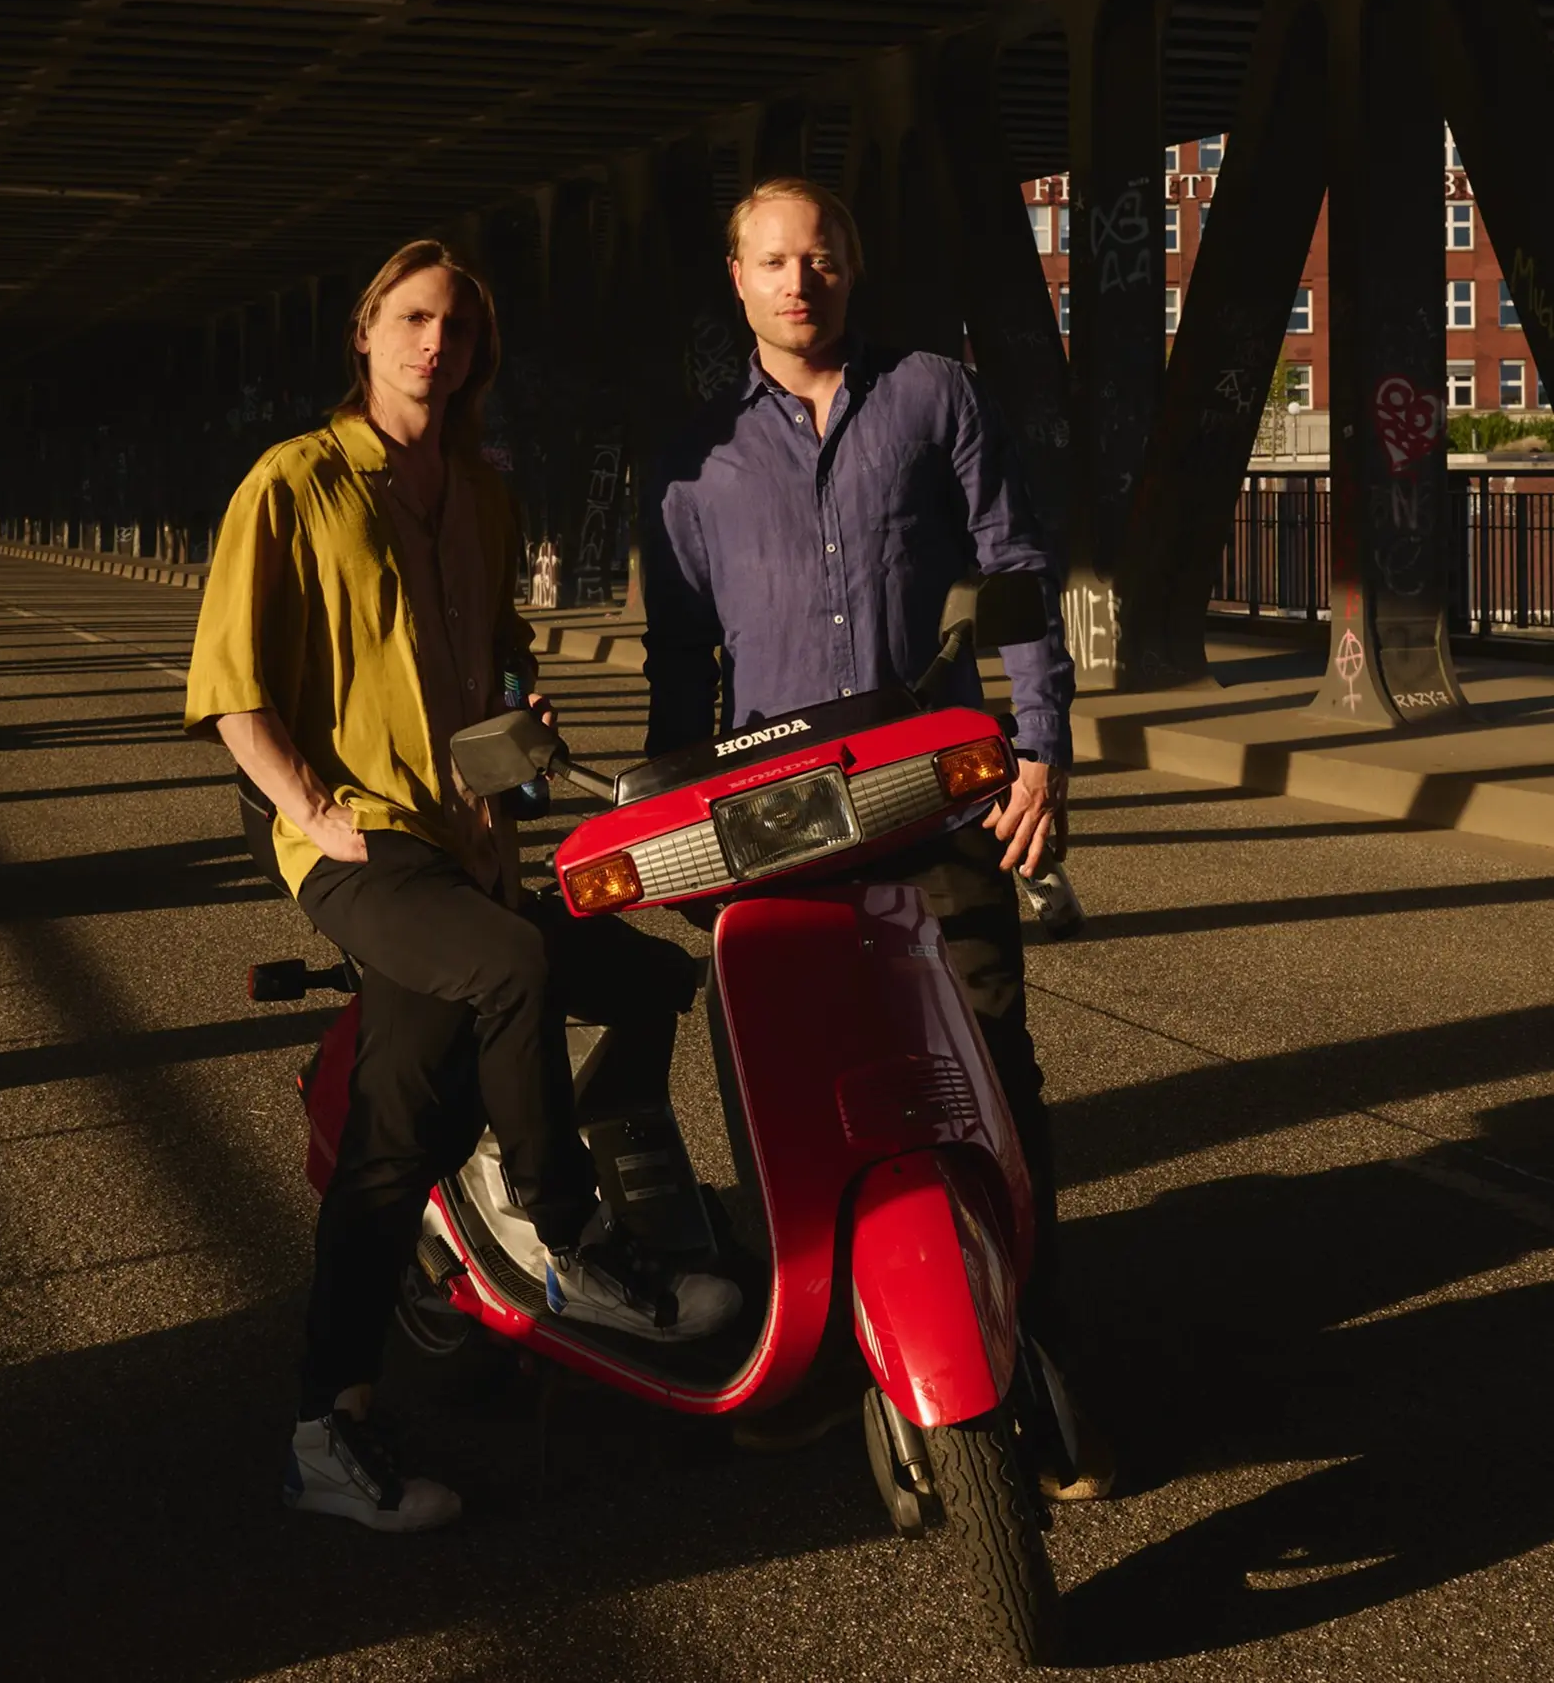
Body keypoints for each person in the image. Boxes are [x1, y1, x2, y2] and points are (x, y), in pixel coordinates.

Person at [186, 239, 739, 1536]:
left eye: (460, 330)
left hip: (474, 841)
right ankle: (565, 1237)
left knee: (644, 977)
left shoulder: (483, 494)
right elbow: (228, 687)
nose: (439, 345)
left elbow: (491, 658)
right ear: (366, 330)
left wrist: (516, 714)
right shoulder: (294, 484)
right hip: (367, 852)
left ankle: (344, 1413)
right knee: (514, 971)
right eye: (415, 319)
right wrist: (312, 814)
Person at [642, 178, 1110, 1498]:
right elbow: (682, 675)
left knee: (991, 1076)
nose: (803, 282)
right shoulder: (692, 462)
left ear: (856, 265)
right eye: (776, 262)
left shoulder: (934, 396)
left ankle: (1043, 1351)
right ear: (735, 278)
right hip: (777, 827)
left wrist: (1043, 745)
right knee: (787, 1098)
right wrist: (677, 837)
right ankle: (824, 1356)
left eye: (824, 257)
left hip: (932, 791)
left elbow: (1014, 561)